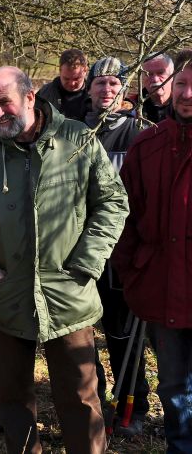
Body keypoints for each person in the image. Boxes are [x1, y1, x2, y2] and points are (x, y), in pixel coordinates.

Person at [0, 66, 128, 453]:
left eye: (4, 103)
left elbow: (112, 202)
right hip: (5, 295)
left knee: (81, 398)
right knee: (12, 400)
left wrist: (85, 263)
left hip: (68, 294)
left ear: (30, 98)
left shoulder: (78, 140)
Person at [113, 49, 192, 453]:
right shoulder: (148, 145)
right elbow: (123, 217)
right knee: (175, 386)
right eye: (181, 84)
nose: (187, 93)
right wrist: (133, 273)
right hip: (161, 287)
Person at [84, 57, 148, 436]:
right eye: (100, 83)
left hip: (121, 253)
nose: (106, 90)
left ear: (124, 88)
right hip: (81, 249)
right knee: (81, 334)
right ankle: (95, 397)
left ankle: (134, 404)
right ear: (89, 89)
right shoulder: (79, 130)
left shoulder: (139, 132)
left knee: (122, 334)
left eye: (113, 83)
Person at [36, 48, 90, 121]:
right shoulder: (44, 94)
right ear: (60, 70)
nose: (72, 83)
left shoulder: (95, 95)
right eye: (66, 79)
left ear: (85, 71)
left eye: (76, 78)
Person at [138, 54, 174, 123]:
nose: (155, 79)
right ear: (142, 78)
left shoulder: (184, 104)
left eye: (161, 73)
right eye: (149, 74)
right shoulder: (132, 107)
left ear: (172, 75)